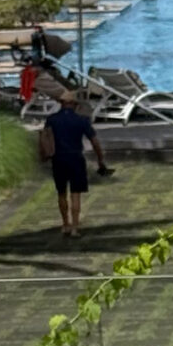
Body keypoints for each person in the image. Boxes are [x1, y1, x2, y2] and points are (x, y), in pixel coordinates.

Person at [41, 83, 107, 238]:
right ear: (75, 105)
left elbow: (45, 140)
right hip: (76, 157)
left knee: (61, 193)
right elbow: (95, 142)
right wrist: (100, 159)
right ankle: (75, 227)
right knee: (75, 193)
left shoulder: (51, 120)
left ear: (61, 103)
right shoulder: (82, 120)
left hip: (58, 158)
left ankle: (65, 224)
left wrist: (43, 156)